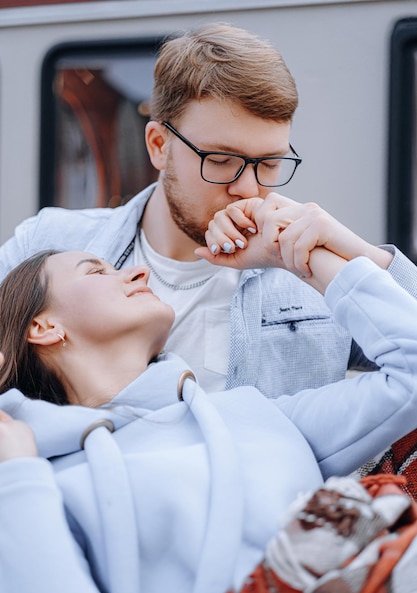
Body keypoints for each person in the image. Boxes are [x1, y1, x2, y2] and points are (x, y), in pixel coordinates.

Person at [0, 205, 417, 593]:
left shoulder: (254, 413)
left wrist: (300, 256)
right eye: (95, 272)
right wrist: (16, 478)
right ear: (43, 327)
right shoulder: (38, 480)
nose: (139, 273)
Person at [0, 22, 417, 400]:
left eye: (269, 163)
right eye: (220, 160)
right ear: (158, 146)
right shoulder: (52, 243)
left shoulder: (313, 270)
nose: (248, 188)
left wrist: (356, 251)